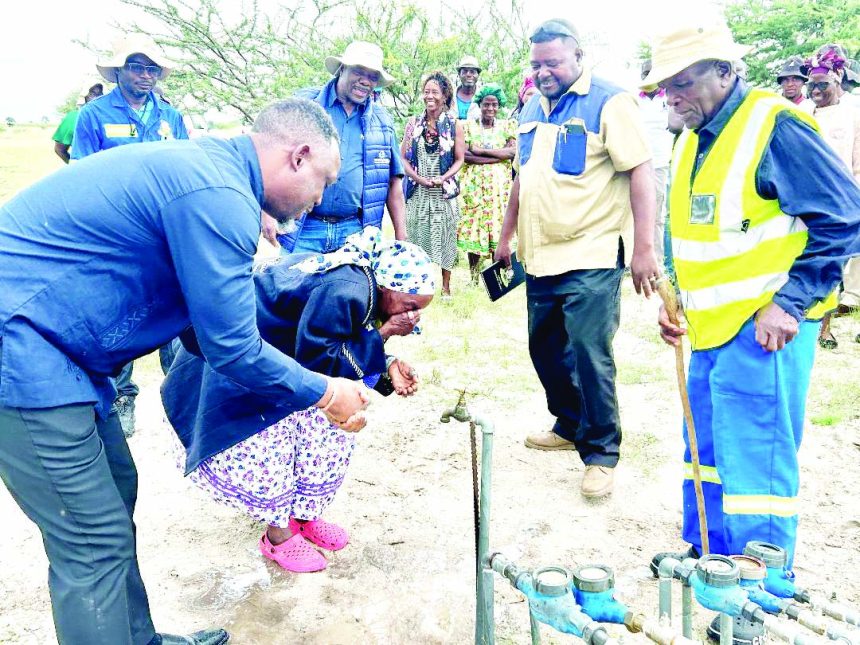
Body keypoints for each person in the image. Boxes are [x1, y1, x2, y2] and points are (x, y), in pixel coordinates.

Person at [0, 98, 371, 645]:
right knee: (91, 543)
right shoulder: (219, 195)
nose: (319, 202)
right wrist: (324, 392)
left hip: (67, 357)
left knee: (116, 496)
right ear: (299, 155)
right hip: (24, 352)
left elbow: (205, 328)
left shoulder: (215, 177)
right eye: (323, 182)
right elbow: (230, 347)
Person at [642, 20, 860, 643]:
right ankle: (711, 556)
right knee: (707, 455)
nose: (672, 94)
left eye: (684, 81)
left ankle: (762, 597)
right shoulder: (690, 138)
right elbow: (693, 231)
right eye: (665, 85)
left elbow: (844, 215)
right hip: (710, 330)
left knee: (757, 463)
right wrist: (674, 298)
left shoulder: (774, 126)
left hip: (766, 333)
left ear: (723, 71)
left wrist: (790, 302)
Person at [164, 228, 433, 573]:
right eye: (409, 306)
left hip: (285, 357)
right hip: (244, 360)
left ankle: (304, 513)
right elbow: (321, 358)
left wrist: (388, 365)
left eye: (417, 312)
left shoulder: (362, 285)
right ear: (386, 286)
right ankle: (278, 535)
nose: (411, 317)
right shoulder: (348, 289)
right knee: (272, 442)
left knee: (321, 432)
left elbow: (337, 344)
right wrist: (384, 335)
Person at [494, 18, 658, 499]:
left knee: (590, 354)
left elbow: (641, 174)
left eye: (553, 62)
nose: (543, 71)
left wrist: (645, 248)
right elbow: (522, 177)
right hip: (540, 255)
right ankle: (568, 425)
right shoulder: (530, 106)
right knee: (544, 348)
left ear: (577, 56)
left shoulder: (610, 101)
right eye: (536, 63)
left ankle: (601, 453)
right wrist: (506, 237)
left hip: (592, 251)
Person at [74, 34, 190, 437]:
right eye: (137, 66)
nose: (145, 75)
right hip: (117, 233)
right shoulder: (94, 115)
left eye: (151, 68)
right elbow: (80, 176)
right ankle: (122, 398)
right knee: (122, 314)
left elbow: (184, 168)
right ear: (120, 71)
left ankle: (179, 394)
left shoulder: (170, 117)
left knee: (173, 307)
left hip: (163, 232)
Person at [274, 41, 407, 254]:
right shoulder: (305, 105)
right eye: (359, 71)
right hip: (304, 229)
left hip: (355, 233)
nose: (365, 81)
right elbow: (273, 161)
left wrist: (402, 239)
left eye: (373, 76)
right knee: (292, 286)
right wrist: (268, 213)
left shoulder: (382, 121)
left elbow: (394, 183)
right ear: (342, 69)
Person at [803, 49, 860, 349]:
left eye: (822, 84)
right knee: (822, 265)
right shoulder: (802, 115)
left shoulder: (853, 113)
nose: (815, 90)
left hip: (845, 200)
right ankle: (821, 327)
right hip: (809, 202)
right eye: (811, 85)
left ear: (837, 81)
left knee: (845, 265)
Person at [402, 71, 466, 299]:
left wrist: (443, 177)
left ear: (445, 95)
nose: (429, 96)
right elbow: (404, 159)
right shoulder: (413, 124)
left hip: (443, 191)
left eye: (435, 92)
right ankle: (420, 283)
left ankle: (446, 288)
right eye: (426, 92)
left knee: (446, 235)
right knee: (418, 234)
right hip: (418, 190)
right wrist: (418, 179)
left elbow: (460, 158)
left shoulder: (454, 124)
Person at [457, 83, 516, 281]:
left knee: (499, 228)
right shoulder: (468, 126)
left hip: (500, 190)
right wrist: (498, 156)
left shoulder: (507, 126)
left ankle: (496, 276)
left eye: (494, 105)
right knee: (474, 227)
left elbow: (513, 152)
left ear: (499, 106)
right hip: (474, 190)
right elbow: (464, 155)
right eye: (486, 104)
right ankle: (474, 276)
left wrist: (481, 151)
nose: (490, 109)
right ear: (479, 104)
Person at [638, 59, 675, 264]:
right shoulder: (635, 99)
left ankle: (658, 261)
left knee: (658, 215)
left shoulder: (669, 98)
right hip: (639, 163)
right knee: (638, 212)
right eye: (646, 74)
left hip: (662, 162)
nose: (649, 78)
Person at [52, 82, 103, 163]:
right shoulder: (73, 117)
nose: (96, 97)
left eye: (100, 94)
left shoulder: (110, 117)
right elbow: (59, 149)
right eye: (92, 93)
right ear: (85, 96)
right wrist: (75, 166)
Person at [455, 55, 482, 121]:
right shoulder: (449, 96)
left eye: (472, 72)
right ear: (459, 74)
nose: (468, 75)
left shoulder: (484, 97)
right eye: (465, 71)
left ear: (478, 75)